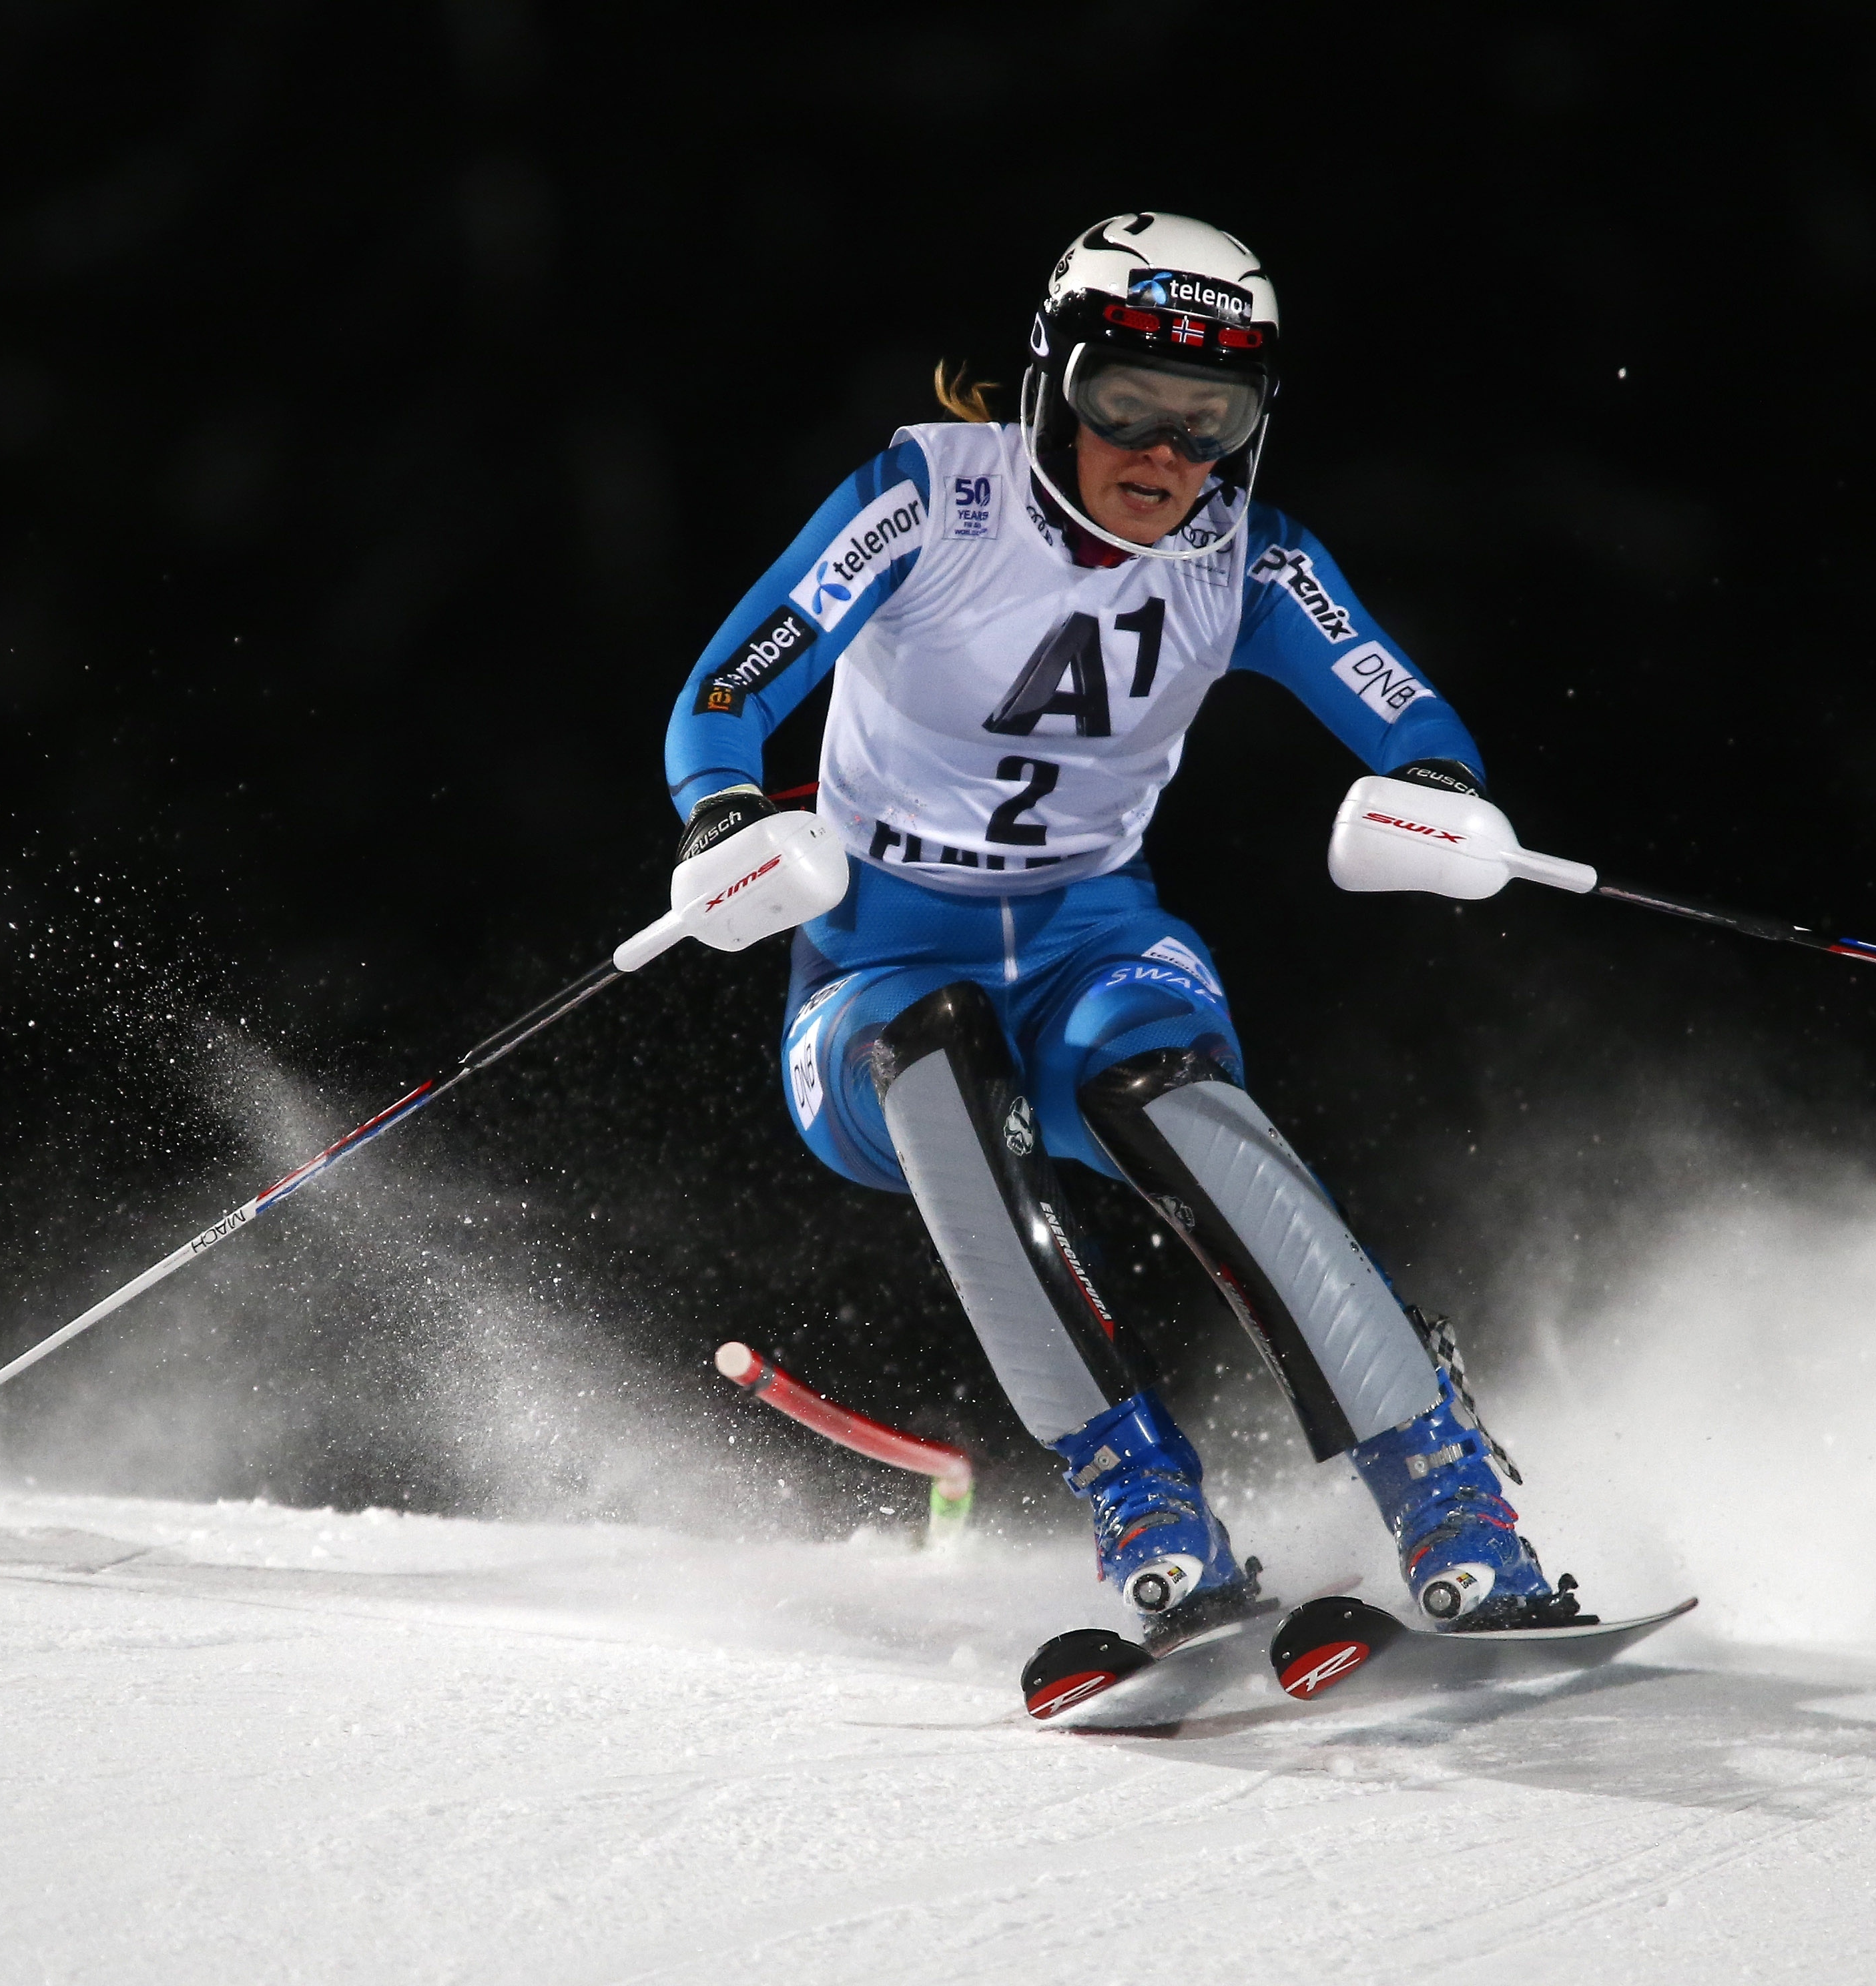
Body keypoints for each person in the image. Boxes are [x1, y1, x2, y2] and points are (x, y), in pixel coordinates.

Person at [661, 212, 1585, 1640]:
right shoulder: (926, 496)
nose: (1161, 456)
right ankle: (1145, 1500)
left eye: (1207, 420)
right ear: (1051, 380)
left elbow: (1404, 709)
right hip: (875, 968)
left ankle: (1452, 1502)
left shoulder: (1247, 556)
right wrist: (723, 819)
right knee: (935, 1049)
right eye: (1123, 406)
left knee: (1155, 1081)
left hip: (1098, 945)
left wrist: (1443, 798)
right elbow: (732, 683)